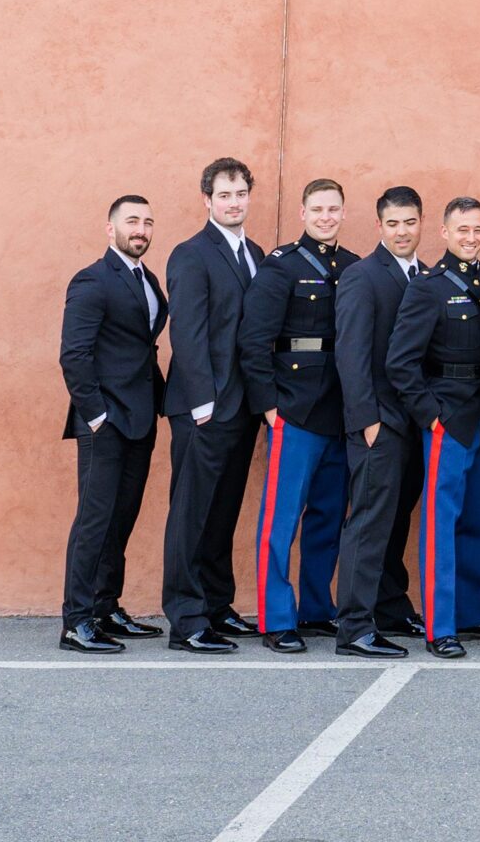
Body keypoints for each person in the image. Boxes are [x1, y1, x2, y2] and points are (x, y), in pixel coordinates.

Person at [386, 196, 480, 658]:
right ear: (444, 232)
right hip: (448, 418)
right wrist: (430, 415)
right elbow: (401, 362)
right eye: (462, 230)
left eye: (478, 230)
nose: (471, 238)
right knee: (443, 521)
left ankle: (472, 612)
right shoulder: (428, 287)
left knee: (479, 518)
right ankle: (441, 624)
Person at [240, 177, 356, 653]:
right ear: (303, 214)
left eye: (334, 209)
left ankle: (315, 608)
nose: (326, 217)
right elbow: (253, 341)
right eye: (318, 209)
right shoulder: (281, 266)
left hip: (339, 409)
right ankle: (276, 617)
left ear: (343, 213)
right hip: (293, 408)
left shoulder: (353, 266)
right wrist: (269, 407)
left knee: (328, 517)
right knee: (280, 519)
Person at [161, 157, 265, 651]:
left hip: (242, 408)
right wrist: (202, 402)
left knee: (223, 510)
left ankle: (217, 605)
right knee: (191, 511)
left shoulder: (257, 254)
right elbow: (187, 332)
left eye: (240, 193)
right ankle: (186, 617)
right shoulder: (190, 254)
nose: (233, 202)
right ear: (207, 200)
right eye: (223, 195)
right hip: (203, 408)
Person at [58, 195, 168, 652]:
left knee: (121, 519)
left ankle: (106, 607)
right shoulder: (92, 280)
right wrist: (97, 415)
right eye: (131, 222)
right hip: (105, 422)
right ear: (111, 228)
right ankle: (76, 620)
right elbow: (74, 355)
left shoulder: (148, 280)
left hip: (140, 418)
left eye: (146, 222)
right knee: (95, 521)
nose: (140, 229)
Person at [333, 185, 428, 657]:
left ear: (422, 223)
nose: (402, 231)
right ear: (379, 227)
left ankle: (390, 606)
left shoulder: (427, 276)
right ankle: (353, 627)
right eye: (392, 223)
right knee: (368, 523)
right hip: (379, 423)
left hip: (416, 424)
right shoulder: (362, 276)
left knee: (395, 523)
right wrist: (366, 419)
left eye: (409, 222)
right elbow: (350, 354)